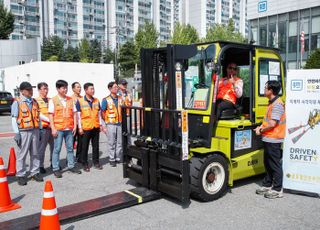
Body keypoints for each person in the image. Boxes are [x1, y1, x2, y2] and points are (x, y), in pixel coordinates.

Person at [254, 80, 286, 199]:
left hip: (274, 138)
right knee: (267, 163)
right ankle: (268, 184)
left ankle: (277, 189)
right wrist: (260, 127)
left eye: (265, 87)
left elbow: (272, 124)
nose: (264, 89)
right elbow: (267, 121)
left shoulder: (277, 104)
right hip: (268, 138)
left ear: (271, 90)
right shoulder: (271, 102)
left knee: (274, 164)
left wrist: (260, 130)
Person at [11, 82, 43, 185]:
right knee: (22, 154)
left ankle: (35, 172)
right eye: (28, 90)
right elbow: (13, 119)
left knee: (35, 153)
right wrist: (17, 133)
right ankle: (21, 175)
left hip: (35, 130)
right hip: (23, 132)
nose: (31, 91)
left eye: (31, 89)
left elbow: (38, 116)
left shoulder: (34, 102)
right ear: (22, 91)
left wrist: (41, 129)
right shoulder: (17, 102)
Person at [49, 80, 82, 178]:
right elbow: (51, 115)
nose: (65, 89)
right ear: (58, 89)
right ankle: (56, 168)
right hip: (58, 129)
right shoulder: (53, 100)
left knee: (70, 148)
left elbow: (75, 114)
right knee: (57, 149)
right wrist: (53, 128)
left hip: (69, 128)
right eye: (63, 88)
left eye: (66, 87)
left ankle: (71, 166)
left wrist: (75, 126)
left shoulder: (70, 100)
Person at [76, 83, 104, 172]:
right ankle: (85, 163)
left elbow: (99, 114)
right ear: (86, 90)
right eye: (91, 89)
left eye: (93, 89)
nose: (93, 90)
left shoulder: (96, 100)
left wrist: (100, 125)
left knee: (96, 146)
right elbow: (78, 116)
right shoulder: (80, 101)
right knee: (85, 147)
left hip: (95, 127)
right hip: (86, 127)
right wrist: (80, 128)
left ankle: (96, 162)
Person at [101, 82, 124, 167]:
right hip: (110, 124)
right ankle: (112, 159)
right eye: (114, 87)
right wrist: (104, 125)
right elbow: (102, 112)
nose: (116, 88)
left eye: (117, 87)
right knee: (111, 142)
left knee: (119, 142)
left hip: (119, 123)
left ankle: (118, 157)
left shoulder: (120, 98)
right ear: (110, 89)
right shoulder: (105, 100)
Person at [36, 82, 54, 174]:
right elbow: (38, 114)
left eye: (47, 88)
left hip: (53, 128)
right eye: (44, 88)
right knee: (41, 148)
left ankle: (53, 163)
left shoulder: (51, 100)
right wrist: (50, 121)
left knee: (54, 147)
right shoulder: (35, 100)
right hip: (43, 128)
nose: (46, 90)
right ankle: (40, 165)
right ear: (39, 90)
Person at [71, 82, 82, 163]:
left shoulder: (82, 98)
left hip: (81, 123)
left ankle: (79, 157)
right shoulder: (70, 99)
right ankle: (70, 158)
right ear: (73, 89)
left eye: (80, 87)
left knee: (81, 141)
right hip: (73, 123)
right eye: (77, 87)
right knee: (71, 142)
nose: (79, 89)